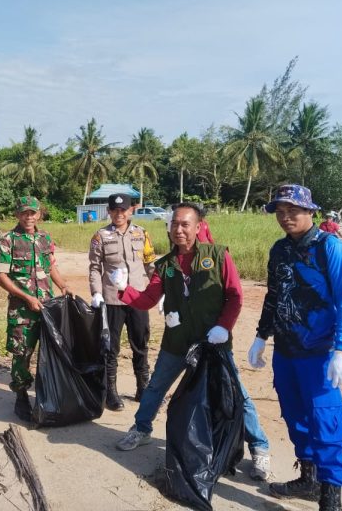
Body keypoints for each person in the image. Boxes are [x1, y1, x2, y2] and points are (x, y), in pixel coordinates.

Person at [114, 202, 271, 482]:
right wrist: (123, 290)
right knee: (156, 387)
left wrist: (224, 327)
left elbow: (234, 295)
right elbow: (149, 299)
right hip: (177, 341)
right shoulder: (166, 266)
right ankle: (141, 429)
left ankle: (259, 448)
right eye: (174, 224)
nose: (179, 230)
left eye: (185, 224)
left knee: (237, 394)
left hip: (214, 341)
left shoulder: (218, 256)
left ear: (198, 227)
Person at [248, 184, 342, 511]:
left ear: (311, 212)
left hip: (320, 353)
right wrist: (260, 336)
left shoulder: (331, 249)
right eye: (280, 212)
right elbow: (273, 296)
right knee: (295, 415)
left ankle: (330, 496)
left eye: (292, 211)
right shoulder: (279, 250)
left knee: (325, 420)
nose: (285, 217)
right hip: (286, 350)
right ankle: (307, 479)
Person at [0, 196, 70, 421]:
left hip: (47, 307)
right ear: (17, 214)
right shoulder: (8, 240)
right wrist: (26, 297)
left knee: (50, 351)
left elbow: (51, 267)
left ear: (39, 214)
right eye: (24, 213)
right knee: (22, 353)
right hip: (22, 310)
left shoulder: (45, 237)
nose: (29, 217)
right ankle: (21, 396)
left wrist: (64, 285)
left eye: (33, 213)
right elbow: (0, 276)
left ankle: (47, 394)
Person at [89, 192, 156, 410]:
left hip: (138, 298)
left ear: (131, 210)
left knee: (141, 344)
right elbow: (95, 267)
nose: (119, 214)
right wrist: (96, 292)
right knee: (110, 347)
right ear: (109, 211)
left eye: (123, 210)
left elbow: (150, 264)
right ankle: (111, 393)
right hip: (112, 299)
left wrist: (159, 291)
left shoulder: (141, 234)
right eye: (115, 210)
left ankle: (143, 389)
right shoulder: (100, 236)